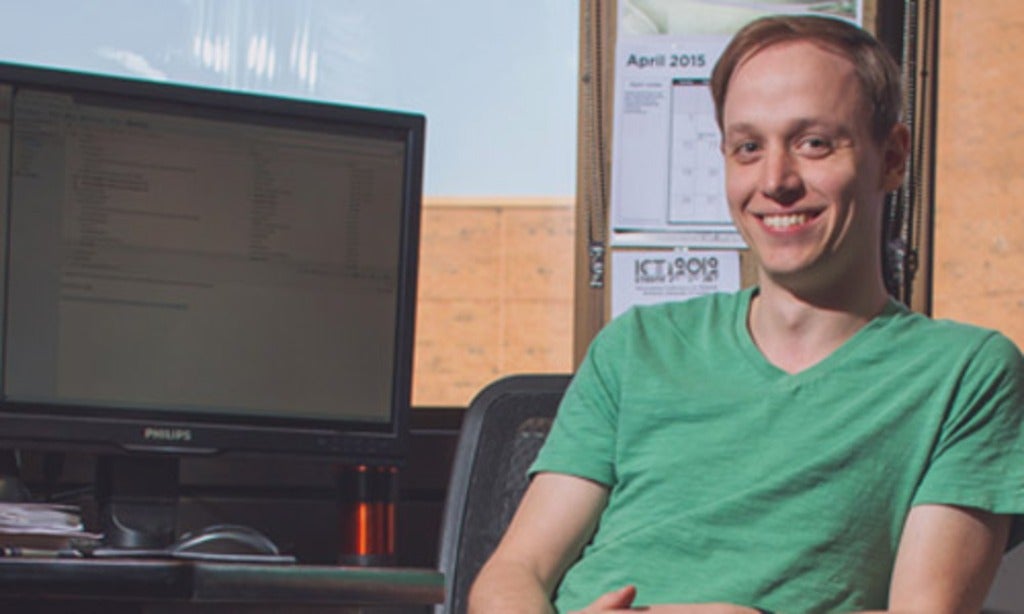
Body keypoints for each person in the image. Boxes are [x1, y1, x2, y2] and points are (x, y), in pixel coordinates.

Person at [468, 14, 1024, 614]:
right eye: (748, 148)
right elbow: (513, 574)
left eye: (813, 143)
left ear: (891, 157)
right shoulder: (636, 346)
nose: (775, 180)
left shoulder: (964, 374)